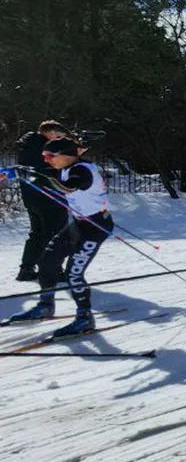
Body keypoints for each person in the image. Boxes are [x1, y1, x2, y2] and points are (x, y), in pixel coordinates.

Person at [1, 139, 112, 336]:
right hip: (79, 224)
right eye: (44, 156)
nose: (47, 160)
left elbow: (68, 187)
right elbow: (43, 172)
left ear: (66, 155)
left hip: (95, 227)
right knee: (47, 261)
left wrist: (34, 176)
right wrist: (17, 170)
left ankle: (84, 318)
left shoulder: (83, 170)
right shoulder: (65, 167)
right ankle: (46, 305)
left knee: (73, 274)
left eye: (50, 156)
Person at [13, 120, 70, 282]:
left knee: (37, 233)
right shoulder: (44, 148)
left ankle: (26, 269)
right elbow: (58, 166)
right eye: (59, 137)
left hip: (31, 197)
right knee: (54, 234)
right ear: (50, 133)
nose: (60, 140)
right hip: (48, 196)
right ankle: (52, 271)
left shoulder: (29, 145)